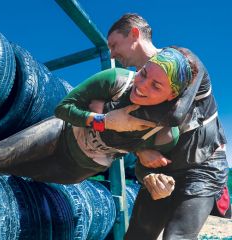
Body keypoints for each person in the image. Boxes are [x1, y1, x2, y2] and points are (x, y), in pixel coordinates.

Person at [0, 47, 193, 189]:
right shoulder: (116, 81)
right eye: (144, 73)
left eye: (156, 86)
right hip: (60, 134)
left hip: (78, 169)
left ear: (171, 95)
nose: (142, 86)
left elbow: (146, 167)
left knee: (12, 180)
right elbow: (63, 109)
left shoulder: (164, 134)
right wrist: (104, 120)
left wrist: (152, 178)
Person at [104, 13, 230, 240]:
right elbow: (114, 134)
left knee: (176, 237)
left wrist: (117, 115)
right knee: (137, 236)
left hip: (203, 168)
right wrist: (140, 149)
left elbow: (176, 114)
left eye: (114, 44)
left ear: (134, 34)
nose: (111, 53)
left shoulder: (186, 61)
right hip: (161, 172)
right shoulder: (136, 87)